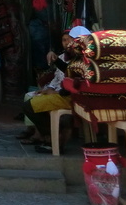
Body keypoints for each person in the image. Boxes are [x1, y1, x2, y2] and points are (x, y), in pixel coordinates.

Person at [18, 25, 91, 153]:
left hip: (72, 98)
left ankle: (54, 138)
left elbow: (76, 81)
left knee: (29, 106)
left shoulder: (84, 58)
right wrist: (57, 60)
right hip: (68, 95)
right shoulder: (81, 56)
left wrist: (58, 92)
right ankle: (52, 138)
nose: (69, 44)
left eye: (71, 40)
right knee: (32, 103)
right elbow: (70, 71)